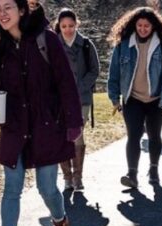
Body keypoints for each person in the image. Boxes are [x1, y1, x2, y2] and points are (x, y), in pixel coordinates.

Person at [0, 0, 83, 226]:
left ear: (22, 10)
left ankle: (60, 221)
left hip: (46, 126)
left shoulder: (45, 39)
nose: (2, 14)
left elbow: (66, 80)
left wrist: (74, 121)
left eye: (8, 7)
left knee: (47, 188)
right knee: (11, 188)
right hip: (14, 127)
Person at [107, 7, 162, 187]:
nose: (143, 29)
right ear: (134, 25)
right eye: (139, 25)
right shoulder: (124, 45)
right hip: (133, 99)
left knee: (154, 135)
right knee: (133, 135)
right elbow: (114, 73)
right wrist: (115, 98)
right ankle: (132, 174)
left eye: (147, 26)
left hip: (155, 99)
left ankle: (153, 169)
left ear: (153, 26)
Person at [54, 8, 100, 191]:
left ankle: (78, 177)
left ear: (76, 24)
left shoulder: (86, 45)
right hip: (59, 99)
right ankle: (66, 177)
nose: (67, 30)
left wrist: (79, 87)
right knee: (62, 137)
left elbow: (94, 70)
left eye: (71, 26)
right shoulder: (53, 44)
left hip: (82, 99)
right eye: (64, 26)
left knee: (77, 135)